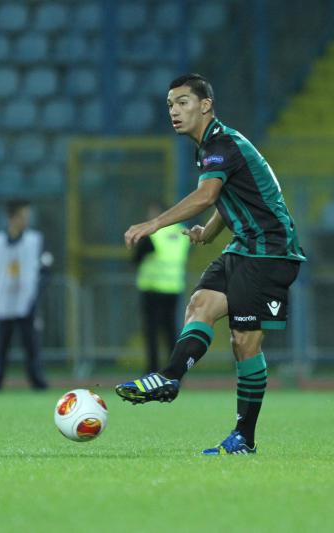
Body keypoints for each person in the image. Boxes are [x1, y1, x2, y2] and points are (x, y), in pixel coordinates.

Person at [115, 73, 306, 456]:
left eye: (183, 102)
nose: (174, 111)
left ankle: (244, 438)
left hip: (270, 251)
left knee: (244, 341)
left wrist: (154, 223)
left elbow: (207, 195)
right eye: (170, 104)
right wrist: (210, 231)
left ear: (205, 106)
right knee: (199, 304)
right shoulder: (212, 146)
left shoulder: (220, 144)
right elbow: (232, 194)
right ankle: (169, 378)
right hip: (244, 247)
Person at [0, 199, 52, 391]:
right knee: (0, 347)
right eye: (22, 216)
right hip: (3, 304)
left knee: (32, 346)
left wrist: (35, 293)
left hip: (27, 302)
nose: (26, 221)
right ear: (11, 218)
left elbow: (46, 270)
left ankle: (37, 381)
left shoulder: (35, 240)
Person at [133, 200, 190, 373]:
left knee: (151, 331)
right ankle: (174, 370)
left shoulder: (153, 234)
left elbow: (136, 258)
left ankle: (152, 370)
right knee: (171, 330)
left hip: (153, 287)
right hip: (174, 286)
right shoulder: (181, 231)